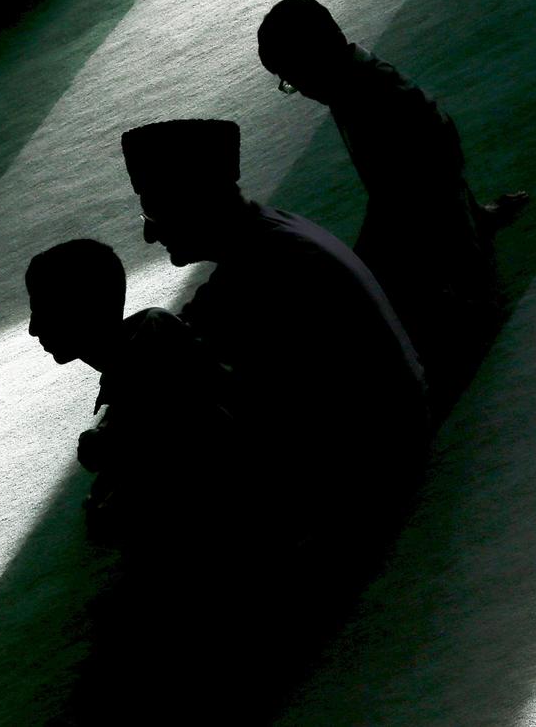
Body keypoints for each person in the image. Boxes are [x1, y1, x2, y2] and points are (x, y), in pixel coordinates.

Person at [121, 118, 430, 551]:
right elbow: (204, 316)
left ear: (196, 204)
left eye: (154, 215)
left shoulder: (270, 266)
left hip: (377, 452)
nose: (149, 234)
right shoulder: (265, 240)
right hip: (393, 422)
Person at [257, 0, 528, 414]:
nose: (300, 91)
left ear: (314, 62)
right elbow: (434, 163)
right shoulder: (361, 84)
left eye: (292, 79)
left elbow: (418, 186)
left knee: (353, 318)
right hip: (423, 211)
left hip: (424, 225)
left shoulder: (373, 101)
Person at [25, 238, 237, 549]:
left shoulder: (148, 379)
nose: (33, 328)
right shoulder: (152, 344)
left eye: (42, 311)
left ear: (80, 310)